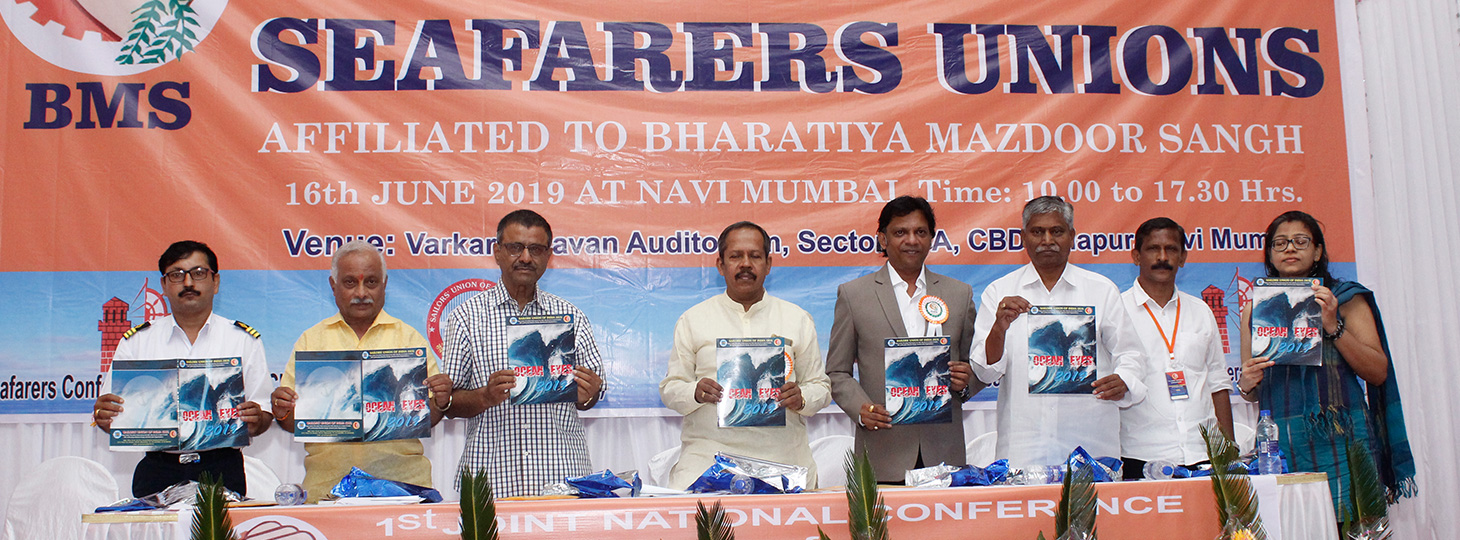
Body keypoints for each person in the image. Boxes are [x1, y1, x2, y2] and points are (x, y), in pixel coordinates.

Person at [1238, 211, 1415, 515]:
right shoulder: (1255, 309)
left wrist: (1333, 326)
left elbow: (1377, 372)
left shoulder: (1345, 299)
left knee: (1354, 527)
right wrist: (1246, 384)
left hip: (1344, 441)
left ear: (1318, 251)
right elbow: (1252, 390)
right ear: (1270, 254)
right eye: (1280, 243)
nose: (1289, 248)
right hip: (1282, 443)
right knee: (1292, 528)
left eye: (1300, 241)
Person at [268, 240, 455, 502]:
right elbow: (291, 421)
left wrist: (442, 401)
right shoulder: (311, 341)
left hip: (402, 490)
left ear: (384, 284)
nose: (361, 292)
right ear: (333, 286)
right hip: (326, 490)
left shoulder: (409, 340)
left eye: (371, 282)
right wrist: (282, 411)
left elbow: (427, 417)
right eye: (349, 283)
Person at [969, 196, 1146, 468]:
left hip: (1092, 440)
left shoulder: (1101, 290)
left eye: (1057, 231)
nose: (1047, 240)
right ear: (1023, 238)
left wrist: (1124, 380)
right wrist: (999, 328)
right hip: (1023, 445)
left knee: (1092, 499)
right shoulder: (999, 292)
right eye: (1037, 232)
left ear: (1072, 236)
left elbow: (1131, 353)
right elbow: (985, 372)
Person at [441, 209, 606, 498]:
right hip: (491, 479)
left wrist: (588, 393)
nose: (526, 258)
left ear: (548, 256)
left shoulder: (571, 316)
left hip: (561, 476)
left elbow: (592, 396)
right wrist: (485, 396)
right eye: (515, 247)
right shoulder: (466, 316)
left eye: (536, 249)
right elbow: (449, 402)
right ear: (497, 252)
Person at [92, 241, 273, 497]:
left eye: (198, 273)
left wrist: (256, 419)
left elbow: (264, 413)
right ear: (164, 285)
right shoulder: (137, 342)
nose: (188, 283)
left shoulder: (243, 340)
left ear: (216, 282)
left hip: (222, 467)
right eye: (176, 275)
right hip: (158, 469)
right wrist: (105, 416)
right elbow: (110, 416)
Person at [660, 222, 831, 489]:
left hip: (783, 458)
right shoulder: (693, 320)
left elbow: (821, 387)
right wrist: (695, 392)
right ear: (720, 265)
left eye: (755, 256)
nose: (745, 264)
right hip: (709, 459)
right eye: (735, 256)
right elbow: (670, 389)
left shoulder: (797, 319)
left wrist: (802, 398)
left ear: (768, 264)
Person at [827, 196, 980, 483]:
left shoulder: (960, 294)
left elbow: (974, 367)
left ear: (932, 239)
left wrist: (967, 379)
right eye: (900, 232)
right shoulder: (854, 295)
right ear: (883, 239)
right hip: (882, 451)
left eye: (920, 232)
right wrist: (862, 410)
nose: (911, 240)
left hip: (944, 454)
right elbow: (837, 372)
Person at [1119, 218, 1233, 479]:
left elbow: (1218, 382)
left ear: (1183, 258)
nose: (1162, 257)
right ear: (1136, 256)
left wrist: (1229, 452)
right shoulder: (1117, 311)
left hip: (1203, 453)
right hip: (1139, 455)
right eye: (1153, 249)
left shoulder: (1201, 311)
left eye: (1171, 249)